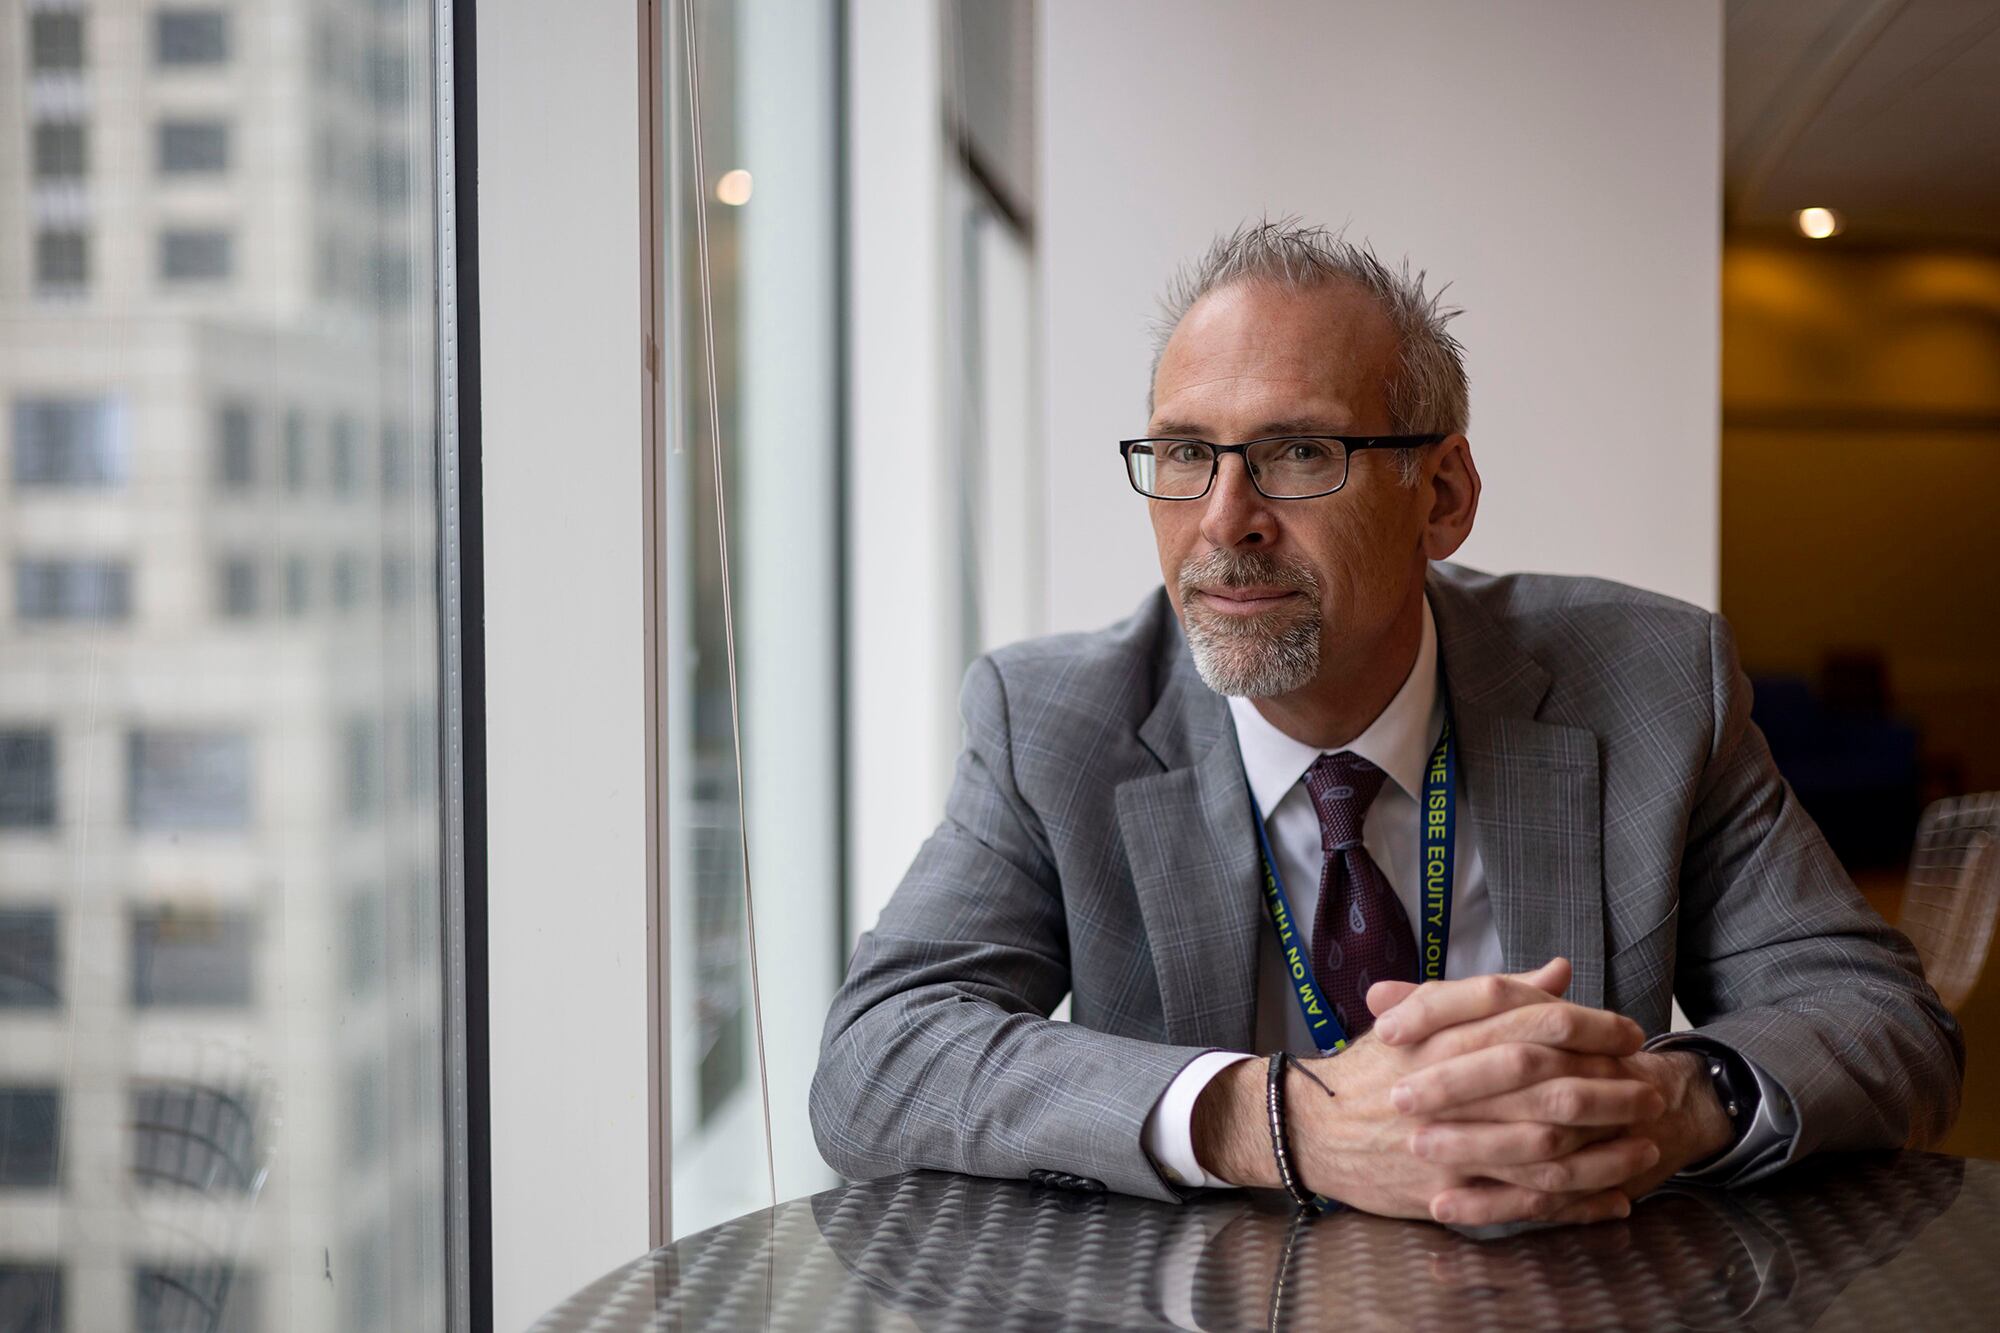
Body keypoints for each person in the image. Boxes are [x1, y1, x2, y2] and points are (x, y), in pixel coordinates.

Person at [808, 218, 1963, 1226]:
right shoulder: (1055, 720)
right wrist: (1278, 1121)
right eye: (1181, 454)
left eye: (1296, 453)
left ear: (1443, 496)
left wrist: (1659, 1104)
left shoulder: (1650, 681)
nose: (1223, 521)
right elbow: (877, 1059)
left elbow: (1882, 1023)